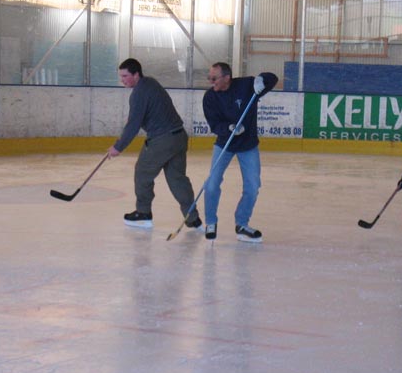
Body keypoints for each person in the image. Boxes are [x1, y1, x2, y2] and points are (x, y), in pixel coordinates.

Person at [107, 58, 202, 230]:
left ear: (136, 74)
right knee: (177, 179)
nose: (123, 80)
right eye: (121, 76)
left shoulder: (138, 93)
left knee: (143, 172)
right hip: (179, 137)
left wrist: (118, 147)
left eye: (126, 76)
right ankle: (192, 218)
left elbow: (134, 125)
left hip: (162, 139)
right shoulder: (150, 83)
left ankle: (143, 213)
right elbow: (144, 112)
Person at [202, 62, 278, 243]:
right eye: (209, 78)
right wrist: (229, 128)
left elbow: (272, 78)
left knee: (252, 187)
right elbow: (214, 125)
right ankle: (211, 222)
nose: (211, 82)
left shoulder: (246, 86)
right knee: (212, 183)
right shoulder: (210, 97)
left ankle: (242, 224)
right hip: (224, 144)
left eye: (214, 78)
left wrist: (262, 79)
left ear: (227, 77)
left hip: (248, 145)